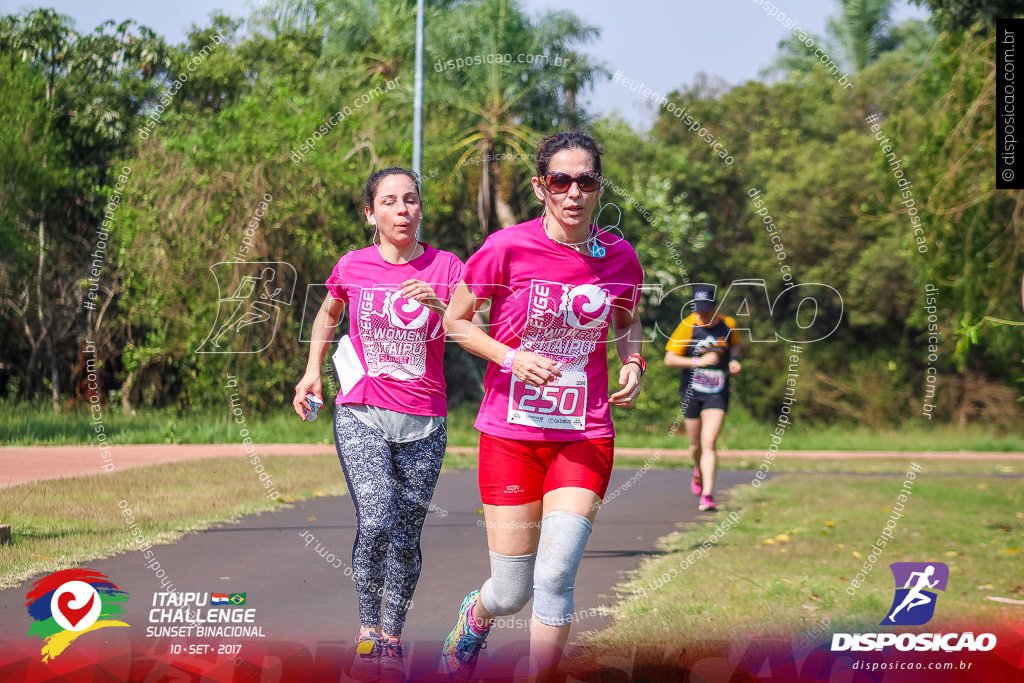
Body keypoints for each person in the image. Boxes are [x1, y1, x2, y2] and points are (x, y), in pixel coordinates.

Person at [440, 132, 645, 682]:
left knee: (555, 577)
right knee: (511, 591)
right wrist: (512, 358)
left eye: (586, 180)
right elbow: (455, 321)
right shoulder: (507, 247)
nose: (574, 192)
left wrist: (633, 363)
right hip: (510, 433)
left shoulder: (620, 258)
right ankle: (474, 617)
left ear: (599, 187)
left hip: (585, 433)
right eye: (561, 180)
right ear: (541, 186)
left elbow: (627, 324)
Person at [293, 167, 464, 683]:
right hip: (360, 409)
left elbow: (478, 328)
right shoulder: (354, 265)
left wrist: (445, 308)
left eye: (411, 200)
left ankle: (393, 636)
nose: (403, 210)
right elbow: (328, 313)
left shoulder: (448, 266)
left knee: (407, 532)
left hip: (425, 419)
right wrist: (311, 372)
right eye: (389, 201)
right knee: (376, 517)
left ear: (420, 209)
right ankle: (368, 630)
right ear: (372, 214)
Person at [664, 285, 741, 511]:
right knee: (696, 445)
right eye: (698, 310)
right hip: (691, 391)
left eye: (707, 310)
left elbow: (735, 346)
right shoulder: (688, 325)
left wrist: (735, 360)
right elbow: (670, 359)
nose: (702, 315)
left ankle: (707, 495)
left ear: (716, 307)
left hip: (717, 391)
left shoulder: (728, 325)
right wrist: (699, 362)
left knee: (709, 442)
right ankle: (697, 470)